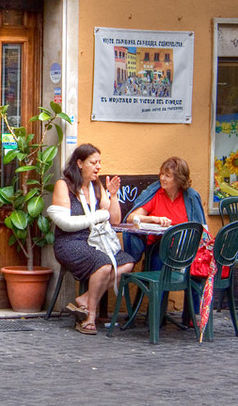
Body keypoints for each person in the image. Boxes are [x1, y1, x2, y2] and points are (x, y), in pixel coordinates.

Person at [46, 143, 135, 335]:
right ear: (79, 163)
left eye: (99, 162)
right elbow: (66, 224)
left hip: (94, 241)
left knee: (127, 263)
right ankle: (89, 318)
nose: (98, 167)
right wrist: (97, 216)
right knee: (103, 264)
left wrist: (112, 196)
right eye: (93, 162)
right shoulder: (65, 186)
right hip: (70, 242)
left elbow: (115, 220)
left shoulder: (96, 186)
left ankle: (86, 299)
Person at [122, 156, 208, 272]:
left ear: (179, 179)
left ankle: (196, 289)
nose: (162, 178)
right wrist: (154, 219)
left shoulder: (190, 197)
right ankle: (157, 289)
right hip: (159, 247)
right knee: (159, 262)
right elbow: (131, 218)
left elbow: (200, 229)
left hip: (185, 249)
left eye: (167, 176)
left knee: (196, 270)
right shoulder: (156, 194)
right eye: (161, 174)